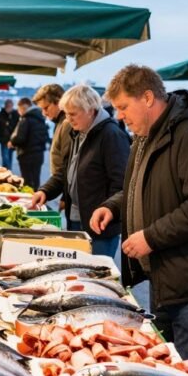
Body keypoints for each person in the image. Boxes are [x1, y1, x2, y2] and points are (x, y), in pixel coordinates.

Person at [90, 64, 188, 376]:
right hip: (166, 276)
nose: (119, 116)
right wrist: (113, 206)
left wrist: (151, 237)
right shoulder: (145, 136)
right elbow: (139, 188)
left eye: (123, 107)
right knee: (165, 369)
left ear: (147, 98)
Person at [31, 85, 129, 259]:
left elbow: (122, 185)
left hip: (100, 227)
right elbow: (65, 171)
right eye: (66, 114)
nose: (68, 119)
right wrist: (45, 191)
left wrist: (108, 209)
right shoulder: (77, 132)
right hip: (76, 218)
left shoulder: (111, 135)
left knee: (94, 270)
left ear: (90, 110)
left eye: (73, 114)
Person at [33, 84, 72, 183]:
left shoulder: (66, 123)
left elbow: (67, 165)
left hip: (63, 185)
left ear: (59, 102)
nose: (44, 113)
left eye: (46, 108)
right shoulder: (60, 122)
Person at [9, 97, 48, 190]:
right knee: (35, 179)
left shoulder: (26, 119)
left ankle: (30, 198)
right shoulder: (40, 118)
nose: (19, 111)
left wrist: (12, 141)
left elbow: (20, 138)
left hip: (26, 155)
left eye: (19, 109)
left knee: (27, 182)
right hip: (39, 154)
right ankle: (36, 195)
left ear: (23, 107)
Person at [0, 99, 17, 170]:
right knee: (5, 156)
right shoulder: (1, 114)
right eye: (8, 106)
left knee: (9, 155)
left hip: (12, 139)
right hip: (3, 139)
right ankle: (6, 169)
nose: (9, 107)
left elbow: (18, 126)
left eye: (10, 106)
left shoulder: (15, 114)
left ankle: (8, 170)